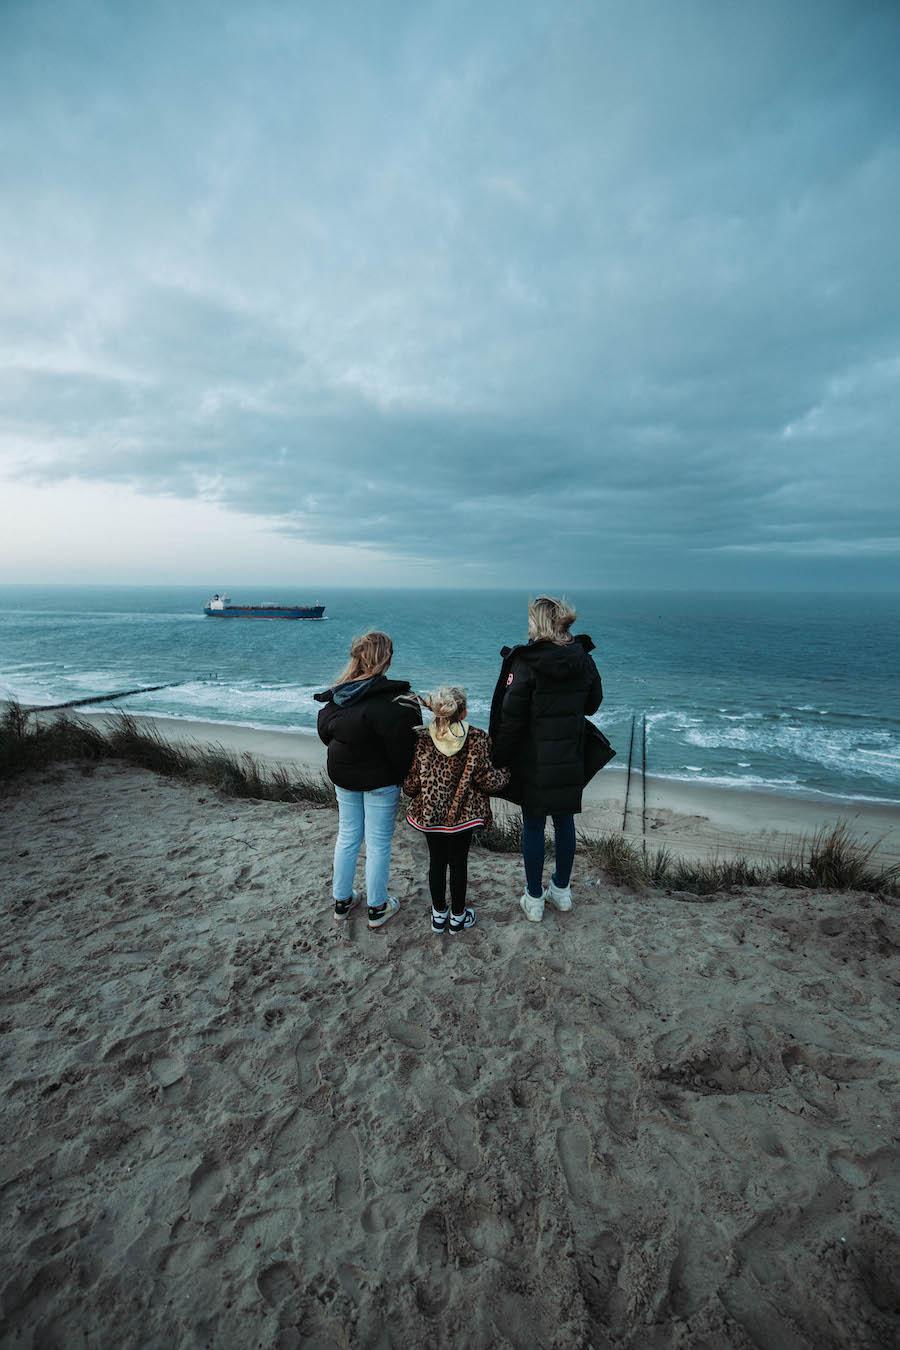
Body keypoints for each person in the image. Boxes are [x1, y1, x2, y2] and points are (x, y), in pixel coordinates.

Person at [489, 596, 603, 923]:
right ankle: (562, 892)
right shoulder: (582, 659)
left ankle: (534, 899)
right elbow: (593, 704)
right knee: (564, 820)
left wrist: (498, 757)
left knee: (534, 826)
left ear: (537, 622)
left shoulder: (526, 662)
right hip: (570, 753)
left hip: (534, 757)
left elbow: (511, 719)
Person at [315, 631, 421, 929]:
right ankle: (377, 907)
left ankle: (342, 900)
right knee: (377, 843)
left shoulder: (341, 694)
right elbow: (407, 748)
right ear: (386, 658)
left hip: (343, 774)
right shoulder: (397, 700)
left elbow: (326, 731)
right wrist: (405, 779)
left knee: (348, 834)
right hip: (380, 782)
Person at [402, 687, 509, 934]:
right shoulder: (477, 738)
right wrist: (507, 773)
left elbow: (412, 784)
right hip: (464, 815)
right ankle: (458, 917)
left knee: (436, 862)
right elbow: (487, 780)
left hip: (431, 814)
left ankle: (439, 916)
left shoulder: (422, 739)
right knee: (459, 863)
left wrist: (409, 788)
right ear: (464, 712)